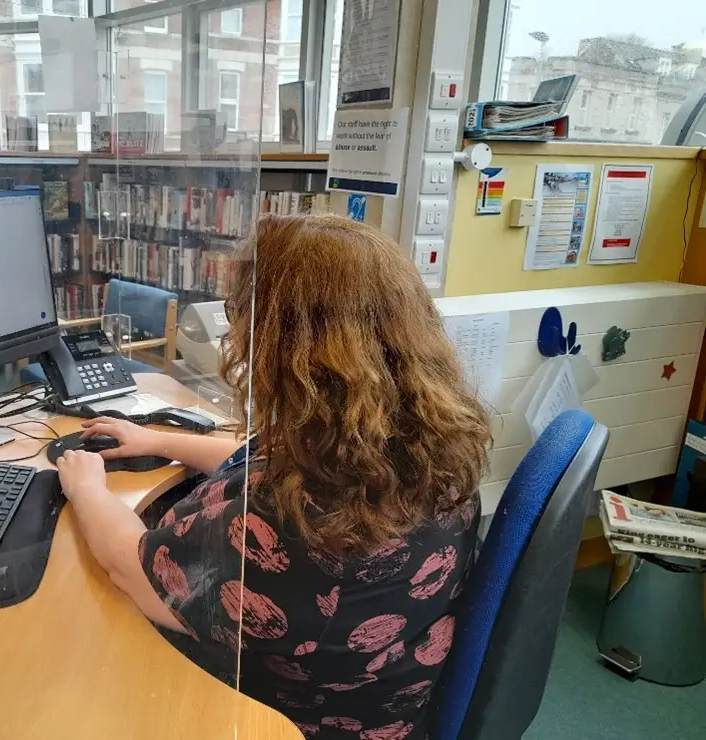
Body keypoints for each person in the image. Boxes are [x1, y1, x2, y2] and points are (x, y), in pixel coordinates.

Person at [56, 214, 490, 739]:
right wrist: (159, 441)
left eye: (240, 312)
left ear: (283, 342)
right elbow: (262, 456)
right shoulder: (424, 444)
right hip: (378, 698)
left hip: (273, 721)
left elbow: (131, 566)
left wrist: (85, 486)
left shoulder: (291, 525)